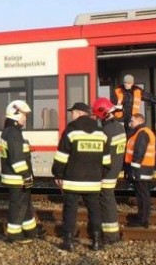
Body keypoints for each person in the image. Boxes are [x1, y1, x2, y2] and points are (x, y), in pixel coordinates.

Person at [52, 102, 110, 251]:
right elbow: (107, 161)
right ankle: (97, 241)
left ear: (78, 113)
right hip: (93, 181)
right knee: (94, 210)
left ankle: (69, 241)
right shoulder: (100, 132)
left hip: (72, 180)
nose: (71, 114)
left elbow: (62, 156)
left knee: (70, 210)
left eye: (73, 112)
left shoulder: (71, 131)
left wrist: (58, 173)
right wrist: (99, 174)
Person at [0, 100, 44, 243]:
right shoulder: (13, 133)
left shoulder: (12, 132)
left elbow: (17, 152)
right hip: (17, 177)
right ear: (16, 114)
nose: (25, 118)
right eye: (24, 115)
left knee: (25, 205)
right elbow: (16, 159)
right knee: (18, 206)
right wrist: (26, 175)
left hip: (17, 177)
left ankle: (31, 231)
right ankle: (14, 235)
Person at [91, 98, 127, 244]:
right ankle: (109, 235)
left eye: (98, 116)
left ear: (103, 113)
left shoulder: (106, 131)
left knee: (106, 204)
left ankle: (111, 237)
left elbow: (103, 156)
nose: (97, 118)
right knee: (108, 201)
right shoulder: (119, 127)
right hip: (115, 169)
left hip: (106, 173)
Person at [124, 113, 156, 228]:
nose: (130, 123)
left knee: (142, 195)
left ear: (138, 121)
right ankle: (142, 216)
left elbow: (139, 152)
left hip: (141, 170)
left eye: (132, 121)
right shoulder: (140, 132)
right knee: (142, 194)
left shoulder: (142, 133)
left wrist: (134, 169)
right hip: (143, 169)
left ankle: (142, 220)